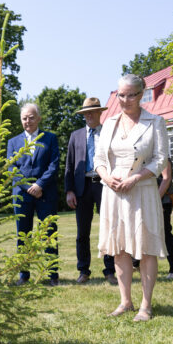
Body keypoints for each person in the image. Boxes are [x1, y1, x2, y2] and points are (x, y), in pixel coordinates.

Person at [95, 74, 168, 322]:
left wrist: (136, 178)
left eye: (131, 95)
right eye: (121, 95)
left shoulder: (155, 122)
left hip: (143, 190)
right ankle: (125, 301)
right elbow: (99, 160)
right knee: (119, 247)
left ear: (142, 94)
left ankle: (145, 306)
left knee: (146, 247)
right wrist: (106, 177)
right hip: (114, 192)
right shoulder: (109, 123)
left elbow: (160, 160)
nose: (125, 100)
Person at [64, 97, 117, 286]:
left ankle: (110, 270)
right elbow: (69, 165)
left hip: (104, 184)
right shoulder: (75, 136)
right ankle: (83, 270)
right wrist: (69, 190)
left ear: (100, 113)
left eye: (93, 112)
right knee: (82, 232)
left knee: (109, 228)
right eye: (86, 113)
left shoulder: (109, 133)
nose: (89, 115)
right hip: (82, 187)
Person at [7, 103, 60, 286]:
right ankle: (24, 274)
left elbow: (54, 165)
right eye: (24, 118)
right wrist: (28, 186)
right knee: (23, 234)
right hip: (22, 195)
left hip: (45, 193)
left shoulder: (50, 138)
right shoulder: (13, 142)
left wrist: (39, 185)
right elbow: (12, 168)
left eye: (31, 117)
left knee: (49, 233)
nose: (27, 121)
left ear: (38, 118)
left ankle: (52, 275)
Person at [158, 157, 173, 279]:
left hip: (163, 201)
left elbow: (166, 179)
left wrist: (156, 201)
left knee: (165, 234)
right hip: (147, 201)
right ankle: (135, 263)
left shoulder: (163, 158)